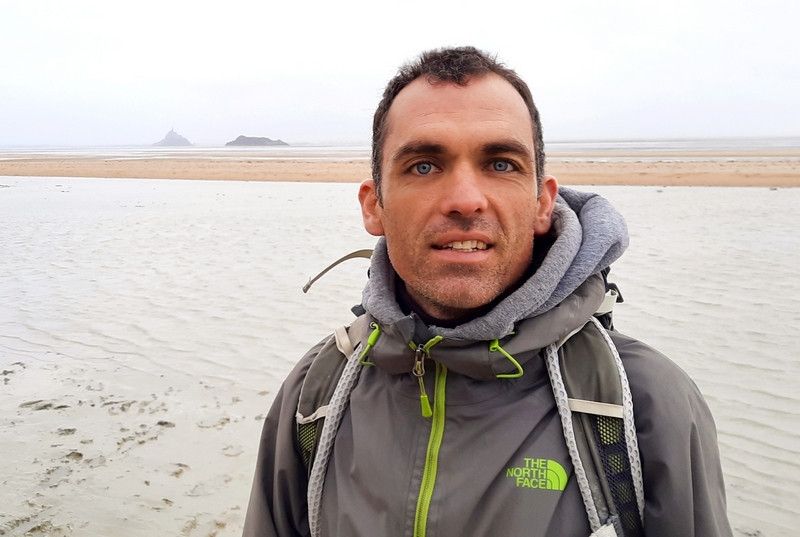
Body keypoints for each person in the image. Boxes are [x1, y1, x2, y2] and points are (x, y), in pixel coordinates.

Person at [243, 46, 733, 537]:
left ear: (543, 202)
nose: (464, 200)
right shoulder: (316, 395)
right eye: (423, 166)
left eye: (500, 164)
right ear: (375, 206)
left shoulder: (641, 403)